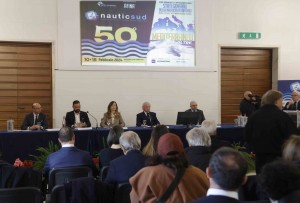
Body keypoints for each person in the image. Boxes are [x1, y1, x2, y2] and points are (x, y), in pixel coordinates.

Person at [130, 133, 209, 203]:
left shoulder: (146, 175)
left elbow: (135, 199)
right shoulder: (199, 174)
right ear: (183, 151)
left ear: (158, 152)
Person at [245, 90, 297, 173]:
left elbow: (247, 136)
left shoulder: (254, 116)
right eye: (281, 100)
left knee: (262, 180)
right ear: (276, 101)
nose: (282, 103)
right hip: (279, 158)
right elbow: (292, 137)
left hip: (260, 158)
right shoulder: (283, 117)